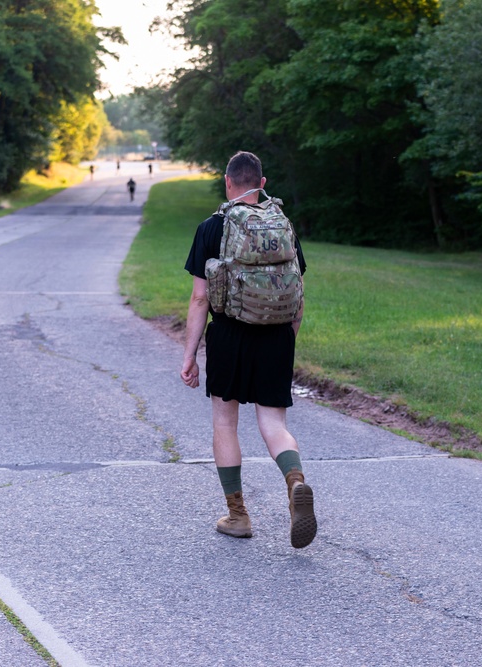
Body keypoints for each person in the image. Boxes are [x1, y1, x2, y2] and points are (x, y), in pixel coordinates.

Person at [180, 150, 316, 549]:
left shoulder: (212, 227)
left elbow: (199, 299)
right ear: (262, 183)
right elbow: (297, 293)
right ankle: (295, 484)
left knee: (225, 422)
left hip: (228, 335)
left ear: (228, 182)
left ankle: (238, 515)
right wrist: (288, 336)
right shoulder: (283, 226)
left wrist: (190, 354)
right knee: (274, 425)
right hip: (276, 336)